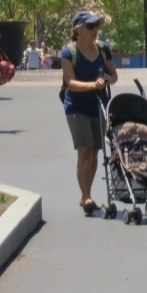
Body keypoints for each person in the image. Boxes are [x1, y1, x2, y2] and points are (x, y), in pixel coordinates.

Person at [60, 11, 118, 215]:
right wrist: (93, 84)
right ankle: (86, 196)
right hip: (76, 107)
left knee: (94, 151)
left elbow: (114, 75)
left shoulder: (103, 49)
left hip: (99, 106)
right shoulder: (68, 52)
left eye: (96, 26)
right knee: (84, 149)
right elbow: (71, 84)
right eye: (90, 26)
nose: (95, 30)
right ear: (78, 29)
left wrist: (107, 81)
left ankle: (87, 192)